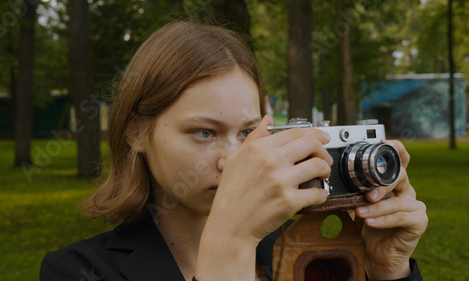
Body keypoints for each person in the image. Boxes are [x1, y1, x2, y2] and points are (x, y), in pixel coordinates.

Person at [40, 21, 428, 281]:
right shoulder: (79, 271)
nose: (232, 159)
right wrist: (229, 244)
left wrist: (387, 269)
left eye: (247, 132)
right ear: (136, 133)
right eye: (204, 132)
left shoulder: (311, 251)